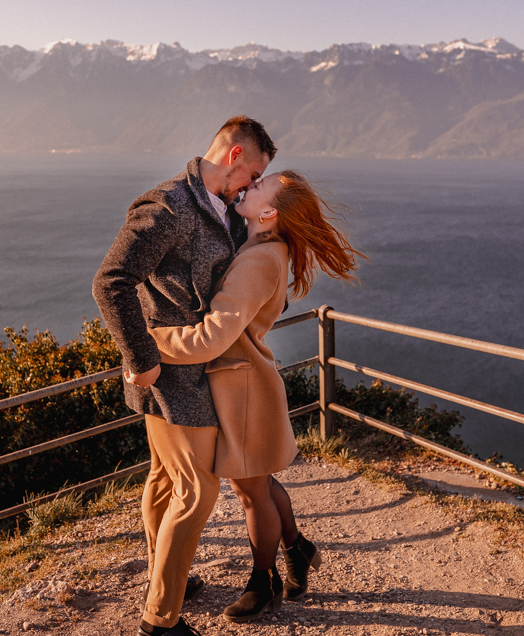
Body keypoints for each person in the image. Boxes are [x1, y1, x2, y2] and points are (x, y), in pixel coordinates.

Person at [148, 170, 364, 623]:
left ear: (268, 213)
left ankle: (262, 582)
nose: (251, 184)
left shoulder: (258, 260)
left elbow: (210, 338)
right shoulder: (258, 248)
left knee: (251, 492)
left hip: (242, 388)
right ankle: (298, 549)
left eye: (260, 186)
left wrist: (154, 341)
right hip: (240, 382)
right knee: (257, 484)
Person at [93, 116, 276, 636]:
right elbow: (110, 282)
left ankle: (162, 578)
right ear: (236, 155)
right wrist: (142, 358)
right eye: (254, 172)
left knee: (163, 480)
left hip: (189, 370)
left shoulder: (220, 209)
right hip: (169, 374)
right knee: (197, 491)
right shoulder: (169, 206)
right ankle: (160, 620)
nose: (251, 185)